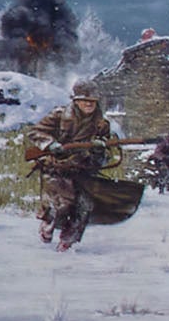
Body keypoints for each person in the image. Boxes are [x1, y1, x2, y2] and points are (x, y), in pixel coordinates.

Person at [27, 79, 119, 249]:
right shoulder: (59, 115)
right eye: (85, 100)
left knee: (84, 207)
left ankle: (68, 241)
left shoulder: (102, 124)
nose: (89, 104)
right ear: (76, 101)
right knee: (59, 206)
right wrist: (50, 144)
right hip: (57, 167)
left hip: (83, 168)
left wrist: (98, 149)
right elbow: (35, 132)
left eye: (92, 101)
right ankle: (47, 227)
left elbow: (104, 154)